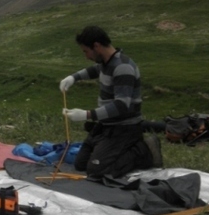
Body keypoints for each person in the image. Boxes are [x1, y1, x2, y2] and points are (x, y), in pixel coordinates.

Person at [59, 25, 162, 179]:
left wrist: (87, 115)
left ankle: (144, 151)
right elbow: (94, 70)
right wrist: (73, 77)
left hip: (124, 128)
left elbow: (121, 106)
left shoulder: (123, 68)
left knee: (97, 171)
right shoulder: (107, 63)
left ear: (97, 46)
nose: (86, 56)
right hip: (106, 125)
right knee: (80, 164)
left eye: (86, 51)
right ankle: (106, 149)